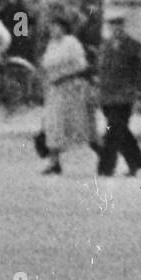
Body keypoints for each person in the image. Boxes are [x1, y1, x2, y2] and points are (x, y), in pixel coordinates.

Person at [38, 16, 98, 175]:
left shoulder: (71, 42)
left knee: (79, 125)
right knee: (53, 125)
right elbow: (46, 64)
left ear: (63, 28)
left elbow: (81, 64)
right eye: (51, 27)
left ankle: (103, 155)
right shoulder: (51, 45)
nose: (52, 30)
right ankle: (54, 161)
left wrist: (65, 74)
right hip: (55, 89)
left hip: (71, 88)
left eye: (56, 27)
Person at [95, 13, 141, 178]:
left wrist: (140, 94)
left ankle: (106, 167)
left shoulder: (133, 45)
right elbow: (101, 70)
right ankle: (135, 162)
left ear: (123, 27)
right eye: (113, 26)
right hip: (107, 96)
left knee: (113, 130)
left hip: (125, 95)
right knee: (121, 131)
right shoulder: (105, 46)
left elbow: (140, 72)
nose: (116, 29)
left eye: (119, 25)